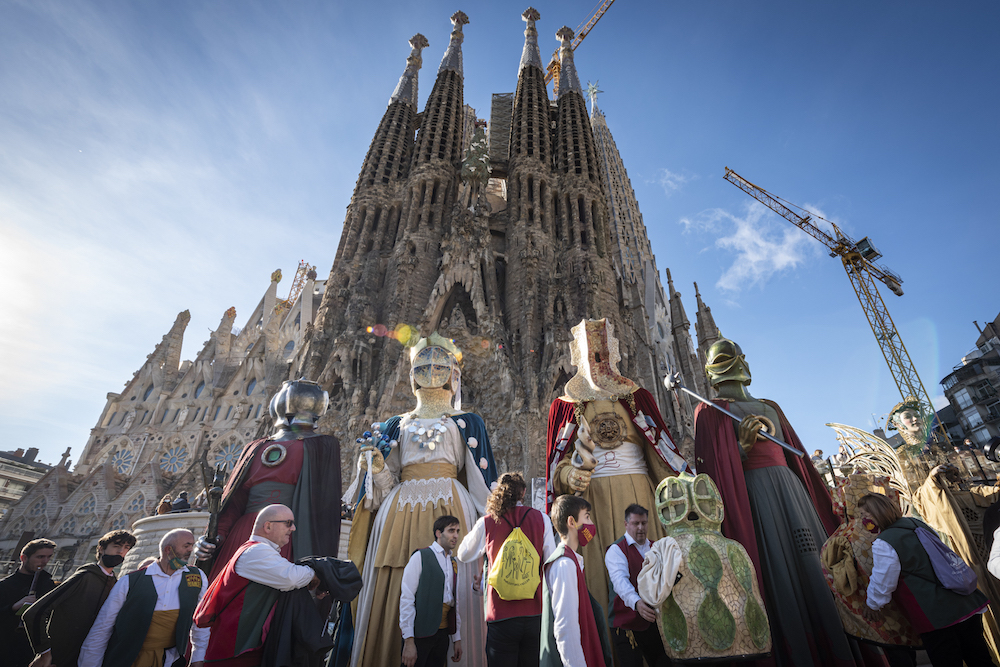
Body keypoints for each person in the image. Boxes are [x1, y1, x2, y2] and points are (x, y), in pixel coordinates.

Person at [693, 336, 861, 666]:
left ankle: (836, 644)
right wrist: (741, 447)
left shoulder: (771, 407)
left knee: (813, 565)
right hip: (755, 496)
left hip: (791, 492)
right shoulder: (710, 411)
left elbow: (796, 459)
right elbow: (713, 473)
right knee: (777, 571)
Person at [345, 333, 497, 667]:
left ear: (453, 375)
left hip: (450, 506)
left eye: (440, 364)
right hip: (400, 509)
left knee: (451, 579)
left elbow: (476, 479)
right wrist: (376, 465)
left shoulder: (467, 422)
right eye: (423, 364)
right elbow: (384, 484)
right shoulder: (395, 424)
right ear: (413, 374)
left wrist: (495, 528)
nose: (431, 370)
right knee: (397, 581)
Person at [546, 318, 691, 614]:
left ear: (614, 351)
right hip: (593, 502)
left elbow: (659, 452)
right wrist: (571, 474)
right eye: (591, 352)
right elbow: (556, 467)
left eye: (603, 351)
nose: (598, 358)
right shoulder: (566, 405)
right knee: (600, 575)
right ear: (578, 355)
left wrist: (683, 483)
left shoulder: (636, 398)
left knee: (654, 566)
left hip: (640, 492)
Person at [193, 379, 342, 583]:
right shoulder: (256, 447)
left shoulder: (322, 445)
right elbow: (234, 502)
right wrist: (214, 537)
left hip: (287, 539)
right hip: (244, 536)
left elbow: (323, 510)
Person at [859, 492, 993, 667]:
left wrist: (872, 604)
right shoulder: (916, 524)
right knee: (980, 659)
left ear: (878, 513)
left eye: (864, 515)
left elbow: (883, 580)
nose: (862, 520)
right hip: (964, 603)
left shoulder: (884, 542)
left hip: (936, 614)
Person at [194, 505, 320, 666]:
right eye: (288, 523)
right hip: (233, 655)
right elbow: (291, 578)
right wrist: (315, 573)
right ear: (268, 526)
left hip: (243, 651)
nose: (293, 528)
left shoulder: (260, 551)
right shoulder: (255, 551)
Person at [457, 472, 556, 666]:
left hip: (500, 614)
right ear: (523, 493)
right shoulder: (541, 519)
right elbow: (550, 561)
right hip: (534, 611)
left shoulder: (487, 522)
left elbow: (462, 553)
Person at [78, 529, 209, 667]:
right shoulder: (129, 581)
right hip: (126, 660)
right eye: (186, 546)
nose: (191, 550)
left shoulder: (197, 577)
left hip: (170, 661)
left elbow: (201, 623)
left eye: (192, 545)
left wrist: (197, 658)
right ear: (168, 550)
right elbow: (102, 629)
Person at [24, 530, 136, 667]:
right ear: (101, 548)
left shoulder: (116, 584)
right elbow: (34, 612)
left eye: (126, 548)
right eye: (116, 546)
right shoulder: (84, 576)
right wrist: (44, 653)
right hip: (58, 658)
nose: (121, 551)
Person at [541, 494, 611, 667]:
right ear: (571, 522)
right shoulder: (565, 564)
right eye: (586, 517)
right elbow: (566, 628)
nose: (590, 524)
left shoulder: (572, 561)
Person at [604, 504, 668, 667]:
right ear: (626, 524)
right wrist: (637, 603)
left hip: (654, 624)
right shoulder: (616, 550)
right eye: (635, 523)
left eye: (644, 523)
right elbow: (620, 582)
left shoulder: (656, 548)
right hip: (626, 624)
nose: (640, 528)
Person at [400, 516, 464, 667]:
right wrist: (409, 641)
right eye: (451, 531)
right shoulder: (420, 556)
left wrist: (456, 638)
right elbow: (407, 598)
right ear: (438, 533)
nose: (455, 535)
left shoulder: (453, 562)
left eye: (457, 531)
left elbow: (454, 602)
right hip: (420, 634)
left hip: (442, 635)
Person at [0, 538, 56, 667]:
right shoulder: (5, 585)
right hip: (6, 648)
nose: (45, 561)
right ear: (23, 558)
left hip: (33, 650)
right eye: (40, 557)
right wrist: (13, 607)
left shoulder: (47, 584)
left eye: (49, 557)